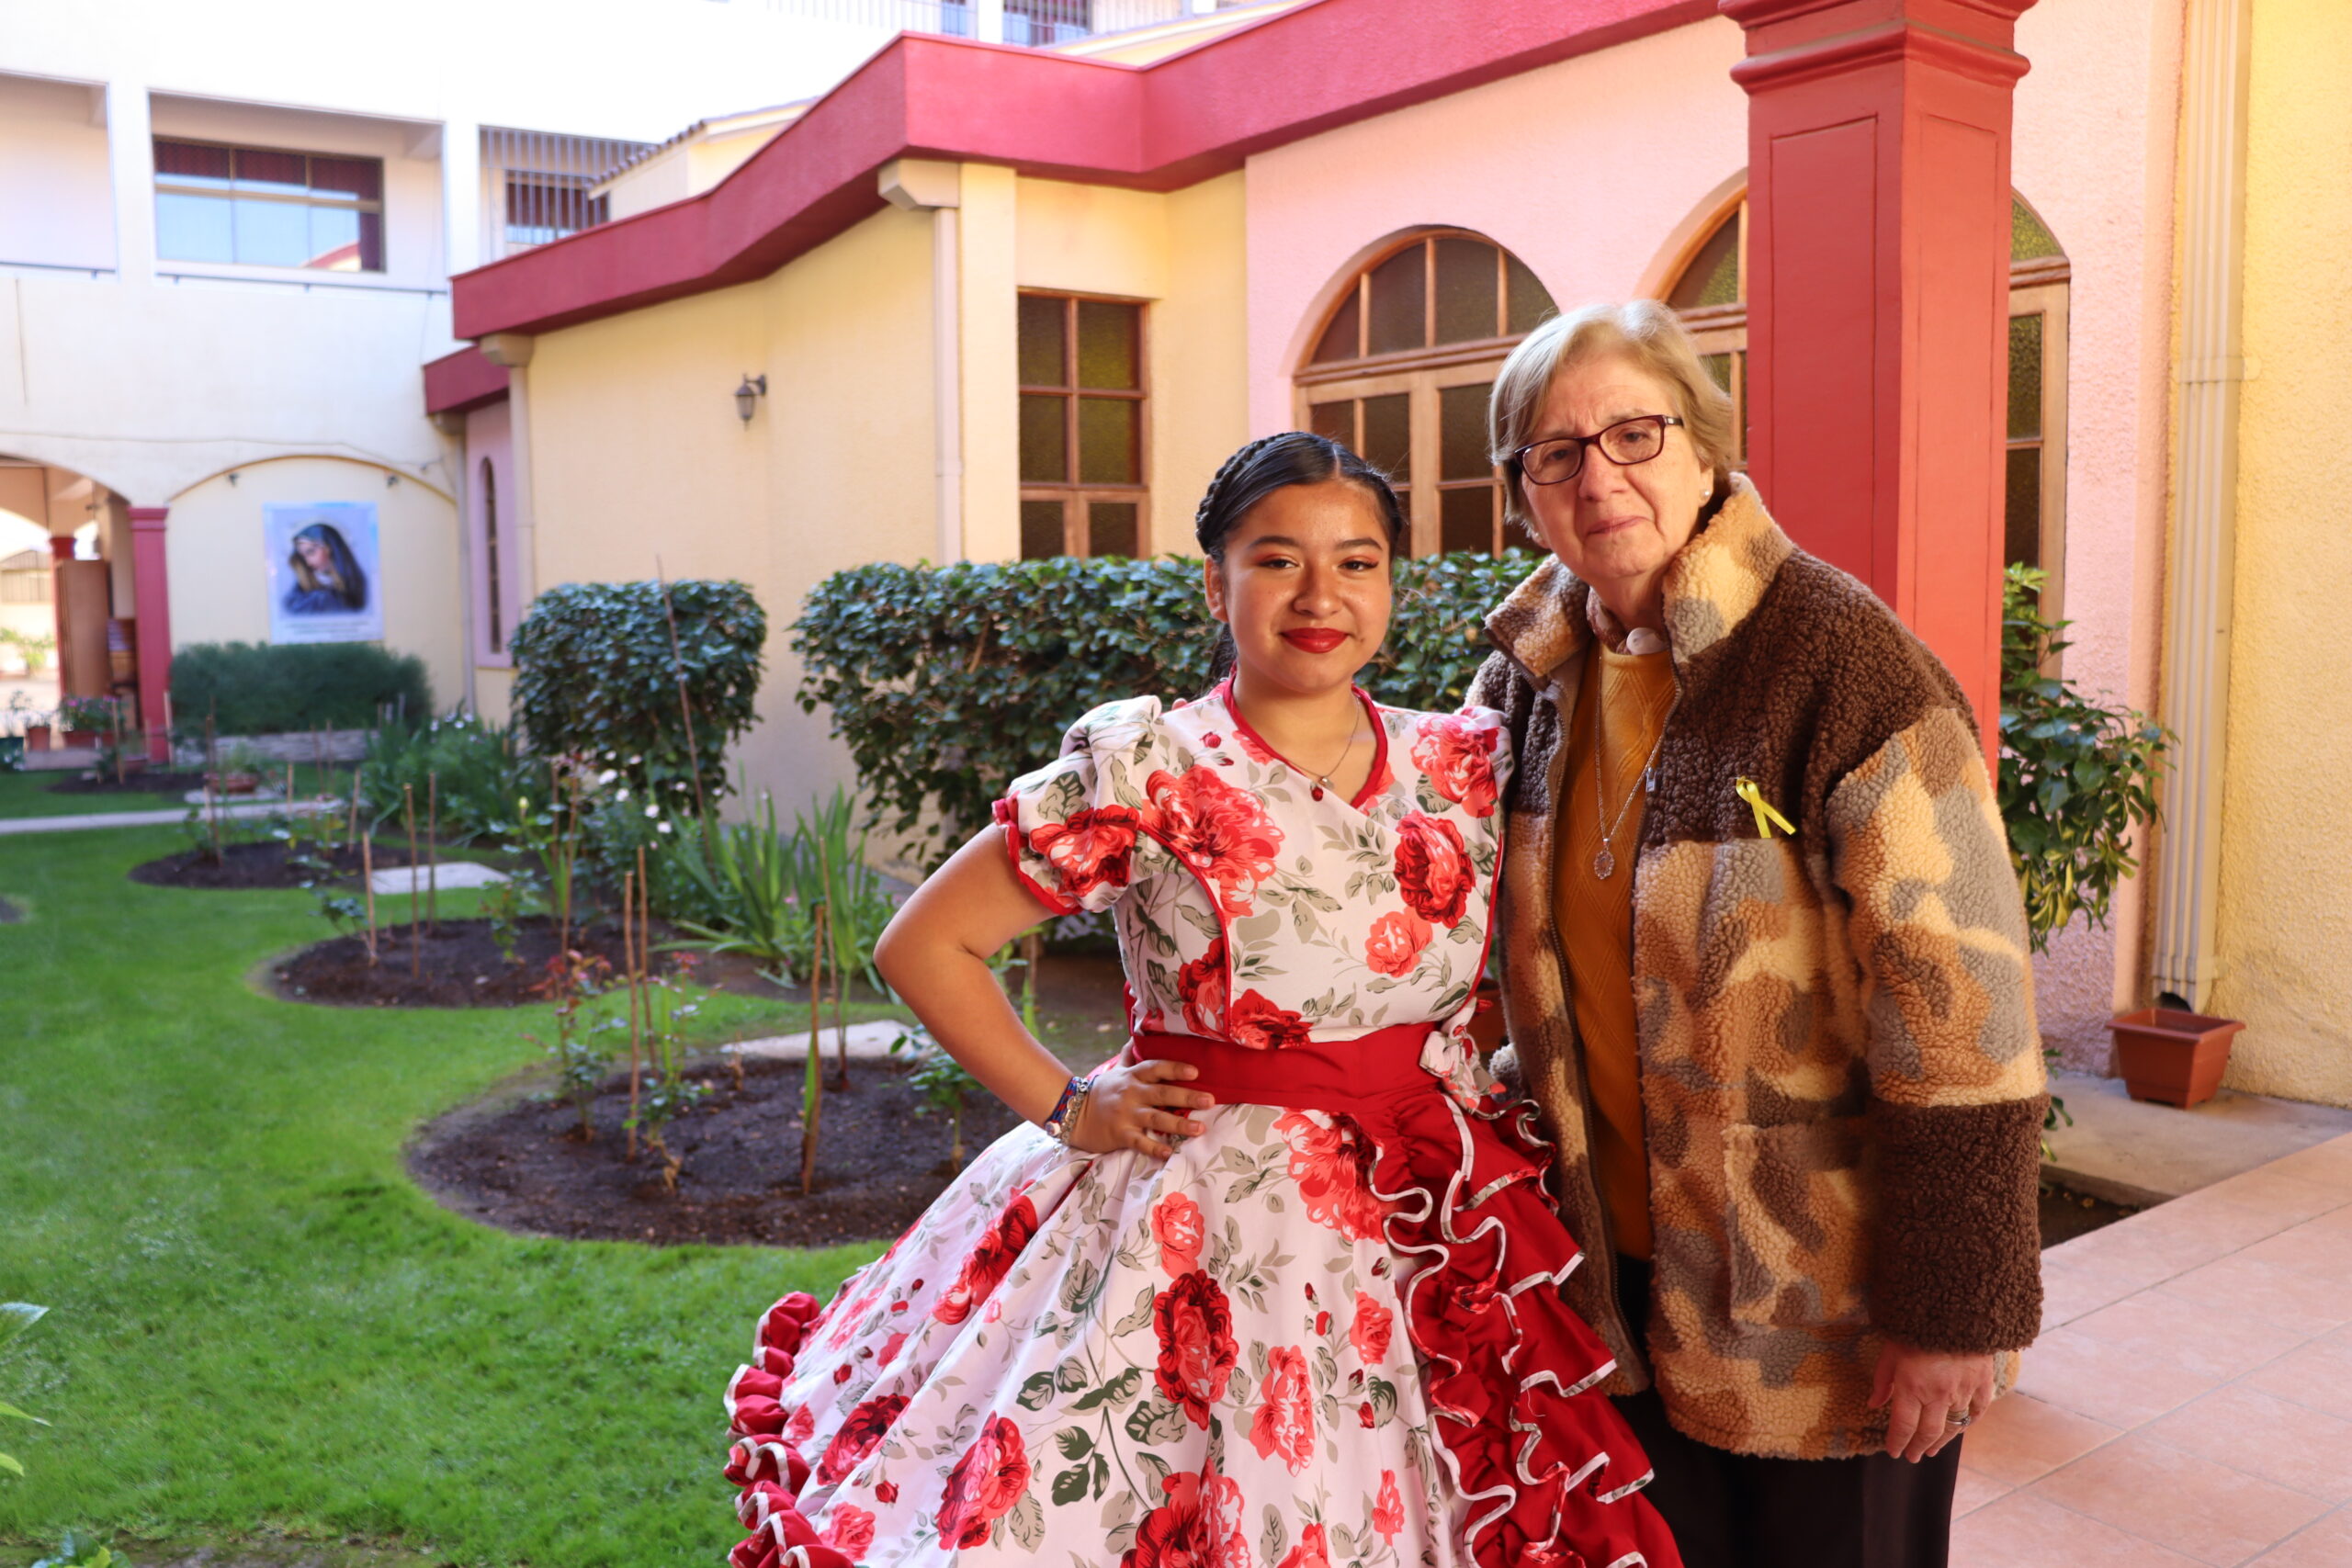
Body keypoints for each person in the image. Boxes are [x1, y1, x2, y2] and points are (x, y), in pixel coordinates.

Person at [720, 433, 1684, 1568]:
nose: (1320, 596)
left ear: (1393, 583)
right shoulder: (1151, 767)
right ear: (1216, 586)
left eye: (1357, 562)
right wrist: (1070, 1106)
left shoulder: (1461, 764)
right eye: (1276, 561)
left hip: (1426, 1220)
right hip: (1196, 1215)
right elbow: (927, 943)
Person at [1465, 300, 2046, 1568]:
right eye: (1554, 453)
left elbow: (1966, 1014)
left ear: (1705, 446)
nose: (1598, 478)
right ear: (1522, 495)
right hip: (1612, 1291)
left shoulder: (1838, 660)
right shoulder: (1523, 681)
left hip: (1825, 1307)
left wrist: (1954, 1306)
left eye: (1634, 433)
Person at [282, 522, 367, 614]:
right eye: (303, 557)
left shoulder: (356, 584)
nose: (308, 563)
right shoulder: (300, 593)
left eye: (311, 552)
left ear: (330, 547)